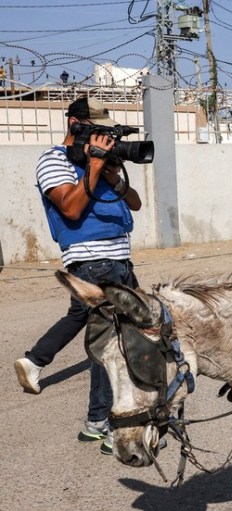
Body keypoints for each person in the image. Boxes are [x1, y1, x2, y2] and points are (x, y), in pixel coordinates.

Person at [13, 96, 141, 454]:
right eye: (96, 129)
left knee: (111, 337)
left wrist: (112, 173)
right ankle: (108, 423)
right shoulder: (53, 160)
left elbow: (134, 203)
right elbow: (70, 208)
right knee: (113, 343)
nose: (103, 137)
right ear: (74, 123)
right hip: (92, 261)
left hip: (119, 260)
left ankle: (97, 420)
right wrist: (95, 168)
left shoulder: (98, 161)